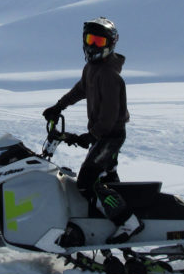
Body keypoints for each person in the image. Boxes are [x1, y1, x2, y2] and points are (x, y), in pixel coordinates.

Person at [43, 17, 143, 245]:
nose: (93, 46)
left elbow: (108, 116)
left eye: (99, 41)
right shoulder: (92, 69)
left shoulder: (109, 75)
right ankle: (109, 217)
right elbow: (80, 89)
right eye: (90, 40)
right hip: (104, 135)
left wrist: (91, 136)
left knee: (87, 181)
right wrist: (58, 106)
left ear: (111, 43)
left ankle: (128, 222)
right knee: (109, 179)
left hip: (110, 136)